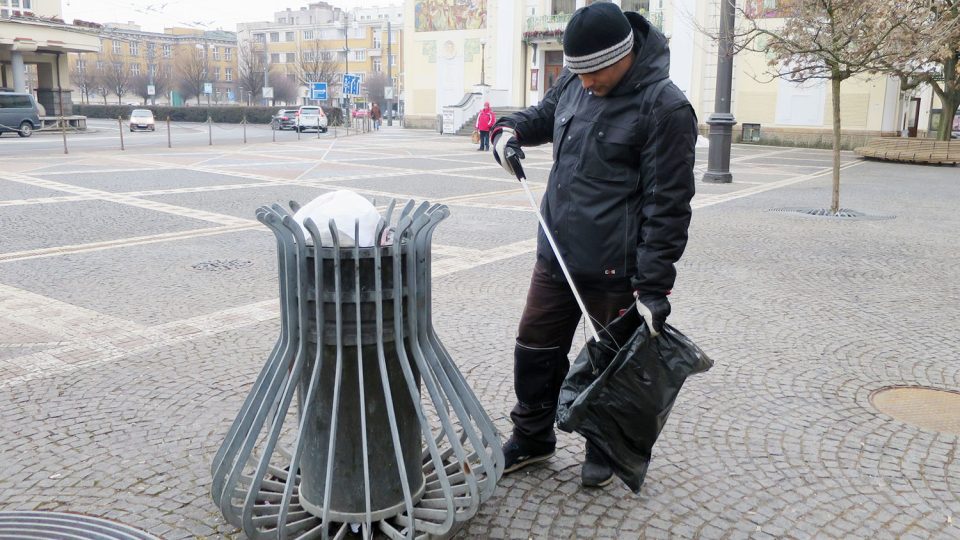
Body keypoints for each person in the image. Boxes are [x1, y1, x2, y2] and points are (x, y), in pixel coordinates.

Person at [490, 2, 697, 488]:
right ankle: (533, 436)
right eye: (575, 72)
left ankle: (605, 443)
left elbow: (668, 206)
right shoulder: (575, 81)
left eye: (594, 72)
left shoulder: (666, 108)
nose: (583, 83)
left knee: (613, 363)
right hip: (556, 252)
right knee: (534, 346)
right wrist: (510, 130)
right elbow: (546, 113)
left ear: (624, 55)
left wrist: (653, 289)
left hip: (616, 267)